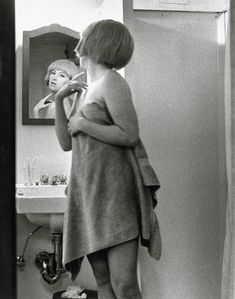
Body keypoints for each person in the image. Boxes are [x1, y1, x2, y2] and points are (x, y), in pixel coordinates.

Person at [55, 20, 161, 299]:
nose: (79, 39)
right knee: (103, 282)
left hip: (115, 198)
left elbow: (129, 134)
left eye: (84, 35)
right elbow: (67, 143)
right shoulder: (86, 90)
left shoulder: (112, 82)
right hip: (88, 198)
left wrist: (84, 124)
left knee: (124, 284)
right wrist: (58, 101)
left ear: (97, 41)